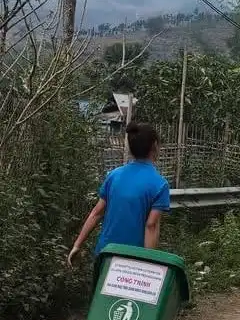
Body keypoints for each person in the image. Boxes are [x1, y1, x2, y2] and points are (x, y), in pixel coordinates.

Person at [67, 122, 170, 288]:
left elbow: (96, 213)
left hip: (106, 253)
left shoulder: (114, 175)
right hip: (134, 259)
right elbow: (151, 226)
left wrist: (77, 245)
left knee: (101, 305)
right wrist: (148, 263)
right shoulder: (159, 184)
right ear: (155, 146)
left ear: (129, 147)